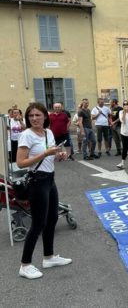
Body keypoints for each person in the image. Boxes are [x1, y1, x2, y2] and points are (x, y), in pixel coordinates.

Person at [16, 103, 71, 279]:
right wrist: (45, 154)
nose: (34, 119)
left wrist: (59, 155)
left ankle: (49, 257)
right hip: (37, 181)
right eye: (31, 116)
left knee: (52, 218)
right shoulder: (26, 135)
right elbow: (21, 163)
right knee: (38, 223)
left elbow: (51, 155)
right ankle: (25, 265)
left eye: (38, 115)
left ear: (45, 116)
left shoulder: (48, 132)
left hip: (50, 179)